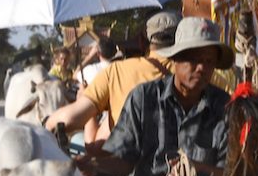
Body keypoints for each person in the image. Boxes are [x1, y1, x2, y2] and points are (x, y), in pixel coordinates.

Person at [78, 17, 233, 176]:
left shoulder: (225, 107)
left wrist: (196, 169)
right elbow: (123, 158)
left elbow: (230, 175)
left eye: (208, 61)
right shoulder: (143, 98)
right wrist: (95, 165)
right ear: (174, 60)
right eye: (193, 60)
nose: (202, 68)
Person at [44, 9, 181, 140]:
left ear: (142, 37)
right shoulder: (194, 72)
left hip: (129, 160)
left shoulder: (117, 72)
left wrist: (48, 122)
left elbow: (72, 121)